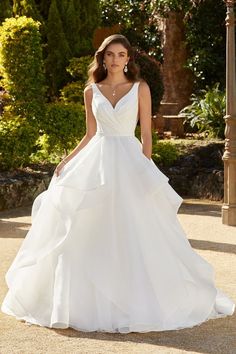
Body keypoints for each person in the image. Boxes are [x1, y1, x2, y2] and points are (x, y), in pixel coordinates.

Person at [1, 34, 235, 334]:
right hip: (95, 161)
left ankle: (136, 299)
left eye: (121, 54)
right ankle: (83, 302)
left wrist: (145, 167)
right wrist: (66, 160)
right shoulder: (91, 90)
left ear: (128, 59)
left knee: (134, 227)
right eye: (110, 54)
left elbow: (146, 134)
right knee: (85, 226)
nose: (115, 60)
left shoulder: (140, 88)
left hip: (128, 159)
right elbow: (90, 134)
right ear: (103, 57)